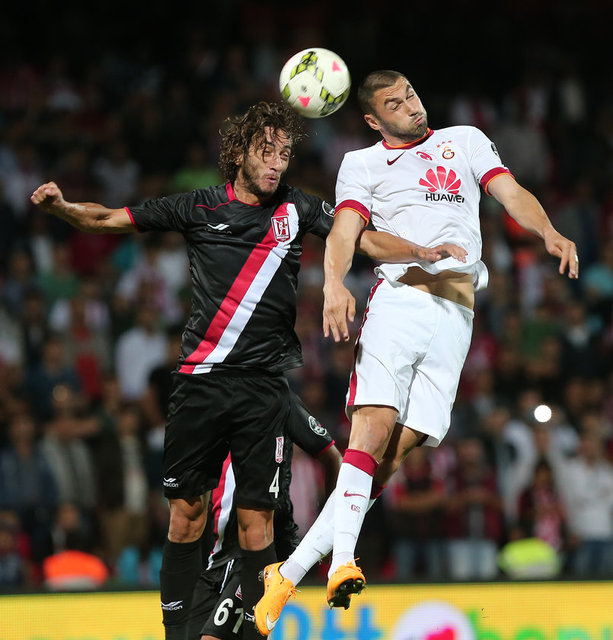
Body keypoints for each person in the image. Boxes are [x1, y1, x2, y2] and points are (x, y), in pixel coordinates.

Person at [30, 100, 463, 640]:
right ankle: (176, 634)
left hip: (263, 388)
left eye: (285, 154)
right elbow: (107, 219)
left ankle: (257, 633)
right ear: (238, 152)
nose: (277, 164)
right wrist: (62, 208)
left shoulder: (298, 208)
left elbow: (363, 238)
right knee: (186, 515)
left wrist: (421, 251)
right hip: (200, 382)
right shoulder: (198, 206)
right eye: (266, 151)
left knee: (257, 524)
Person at [254, 71, 579, 635]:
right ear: (373, 119)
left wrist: (547, 231)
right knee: (372, 428)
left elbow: (511, 193)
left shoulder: (465, 140)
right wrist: (334, 283)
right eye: (394, 103)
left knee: (393, 458)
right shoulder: (362, 163)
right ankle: (342, 560)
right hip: (400, 301)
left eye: (410, 94)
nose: (410, 105)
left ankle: (288, 573)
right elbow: (344, 231)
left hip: (456, 317)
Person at [187, 392, 341, 640]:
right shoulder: (208, 402)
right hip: (217, 556)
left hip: (261, 551)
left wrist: (329, 533)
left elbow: (333, 459)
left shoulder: (277, 398)